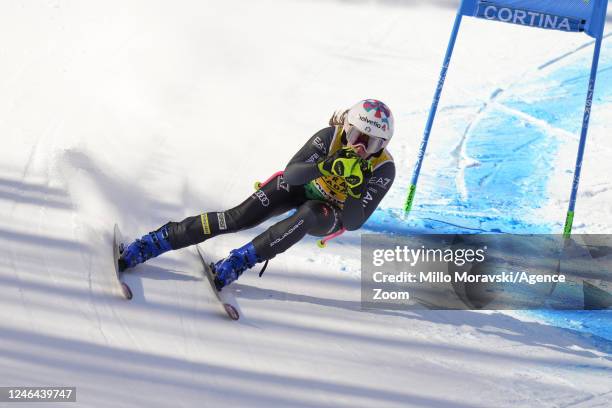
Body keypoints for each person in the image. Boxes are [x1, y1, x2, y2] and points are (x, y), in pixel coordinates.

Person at [119, 99, 396, 290]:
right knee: (238, 218)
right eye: (356, 136)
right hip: (303, 185)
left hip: (329, 211)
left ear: (381, 145)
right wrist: (325, 165)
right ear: (346, 127)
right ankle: (157, 241)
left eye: (369, 142)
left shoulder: (382, 168)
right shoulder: (329, 137)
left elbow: (354, 221)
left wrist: (357, 188)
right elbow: (291, 175)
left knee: (309, 213)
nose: (359, 147)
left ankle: (241, 259)